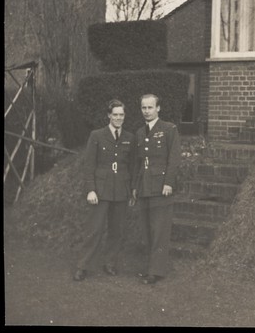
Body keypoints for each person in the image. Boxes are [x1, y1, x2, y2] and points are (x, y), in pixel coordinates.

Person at [73, 99, 135, 281]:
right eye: (115, 114)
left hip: (121, 191)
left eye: (121, 115)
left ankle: (110, 263)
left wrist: (132, 190)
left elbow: (131, 167)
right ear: (109, 115)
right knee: (94, 229)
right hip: (100, 191)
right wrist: (90, 190)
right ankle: (82, 266)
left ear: (125, 116)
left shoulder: (129, 138)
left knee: (117, 230)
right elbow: (89, 165)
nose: (118, 118)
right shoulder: (97, 135)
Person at [132, 94, 181, 284]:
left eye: (150, 107)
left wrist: (168, 182)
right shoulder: (139, 132)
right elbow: (138, 162)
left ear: (158, 108)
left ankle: (156, 271)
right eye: (143, 108)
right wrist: (135, 187)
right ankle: (150, 268)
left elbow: (174, 158)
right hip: (144, 187)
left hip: (161, 187)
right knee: (147, 230)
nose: (146, 111)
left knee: (159, 229)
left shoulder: (169, 129)